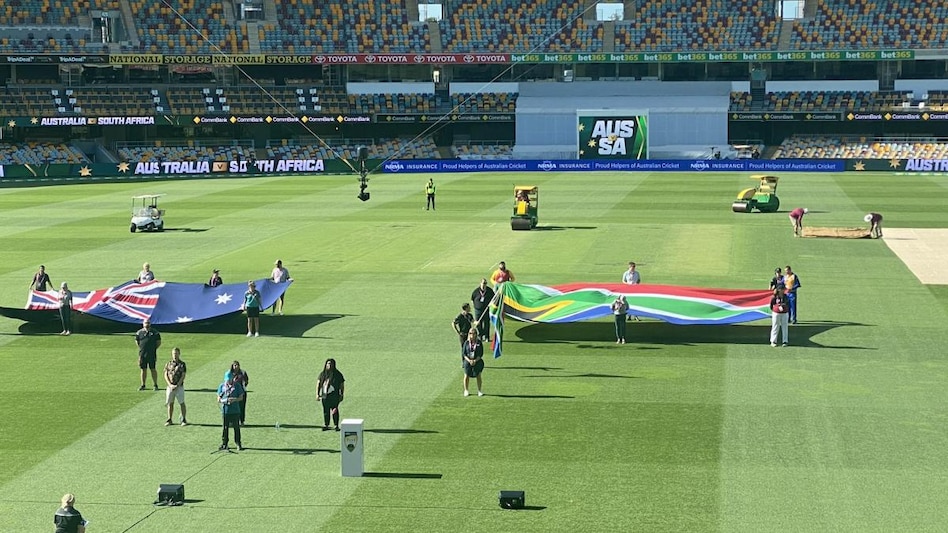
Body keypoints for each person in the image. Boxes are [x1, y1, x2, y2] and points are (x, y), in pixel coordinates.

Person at [217, 372, 246, 450]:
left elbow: (241, 397)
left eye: (229, 379)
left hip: (235, 411)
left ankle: (238, 443)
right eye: (227, 380)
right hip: (225, 411)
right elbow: (218, 399)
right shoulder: (222, 386)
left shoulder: (237, 386)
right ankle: (224, 444)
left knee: (236, 427)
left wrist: (234, 400)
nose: (228, 381)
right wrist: (225, 400)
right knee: (225, 428)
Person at [317, 358, 345, 431]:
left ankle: (336, 425)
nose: (329, 365)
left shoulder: (338, 374)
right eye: (328, 363)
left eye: (331, 363)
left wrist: (341, 394)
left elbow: (341, 385)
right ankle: (326, 424)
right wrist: (317, 394)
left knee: (334, 410)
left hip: (334, 397)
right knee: (326, 411)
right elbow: (319, 384)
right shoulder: (323, 374)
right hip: (325, 396)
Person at [163, 347, 188, 426]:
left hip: (179, 387)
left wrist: (177, 385)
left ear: (179, 354)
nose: (175, 355)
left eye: (176, 353)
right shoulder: (168, 364)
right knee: (170, 403)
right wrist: (170, 385)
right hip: (170, 386)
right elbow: (165, 374)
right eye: (174, 354)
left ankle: (183, 419)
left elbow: (183, 375)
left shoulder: (182, 364)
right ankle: (169, 419)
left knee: (181, 402)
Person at [135, 319, 161, 390]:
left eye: (148, 323)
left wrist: (153, 349)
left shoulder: (155, 333)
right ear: (143, 324)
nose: (147, 324)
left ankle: (155, 385)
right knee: (143, 369)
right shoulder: (139, 333)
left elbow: (158, 342)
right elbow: (137, 342)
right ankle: (143, 385)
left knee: (153, 369)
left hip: (151, 354)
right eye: (146, 323)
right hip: (142, 355)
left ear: (150, 324)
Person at [224, 361, 249, 426]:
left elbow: (246, 381)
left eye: (237, 365)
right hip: (232, 392)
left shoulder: (243, 372)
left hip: (242, 392)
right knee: (231, 407)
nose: (236, 366)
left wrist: (241, 388)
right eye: (234, 365)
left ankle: (241, 421)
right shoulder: (229, 373)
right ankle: (231, 421)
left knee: (241, 407)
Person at [461, 329, 484, 397]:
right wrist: (469, 360)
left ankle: (479, 390)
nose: (472, 335)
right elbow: (464, 353)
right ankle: (466, 390)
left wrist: (475, 360)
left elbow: (481, 353)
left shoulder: (479, 342)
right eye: (470, 333)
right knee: (466, 375)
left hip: (477, 361)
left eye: (473, 333)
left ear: (476, 334)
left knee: (478, 375)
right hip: (468, 361)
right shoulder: (466, 343)